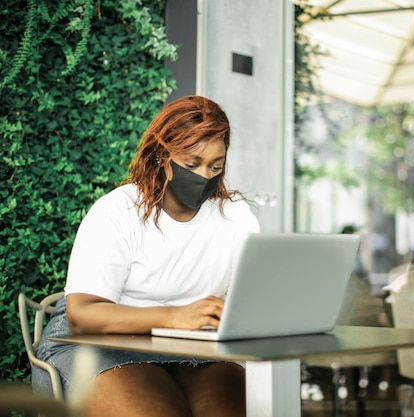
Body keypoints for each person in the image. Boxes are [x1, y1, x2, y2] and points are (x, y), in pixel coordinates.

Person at [34, 96, 260, 417]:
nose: (204, 176)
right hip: (95, 342)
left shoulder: (236, 217)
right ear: (162, 156)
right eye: (191, 164)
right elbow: (82, 316)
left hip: (190, 345)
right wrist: (173, 316)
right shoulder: (118, 210)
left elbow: (248, 302)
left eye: (216, 165)